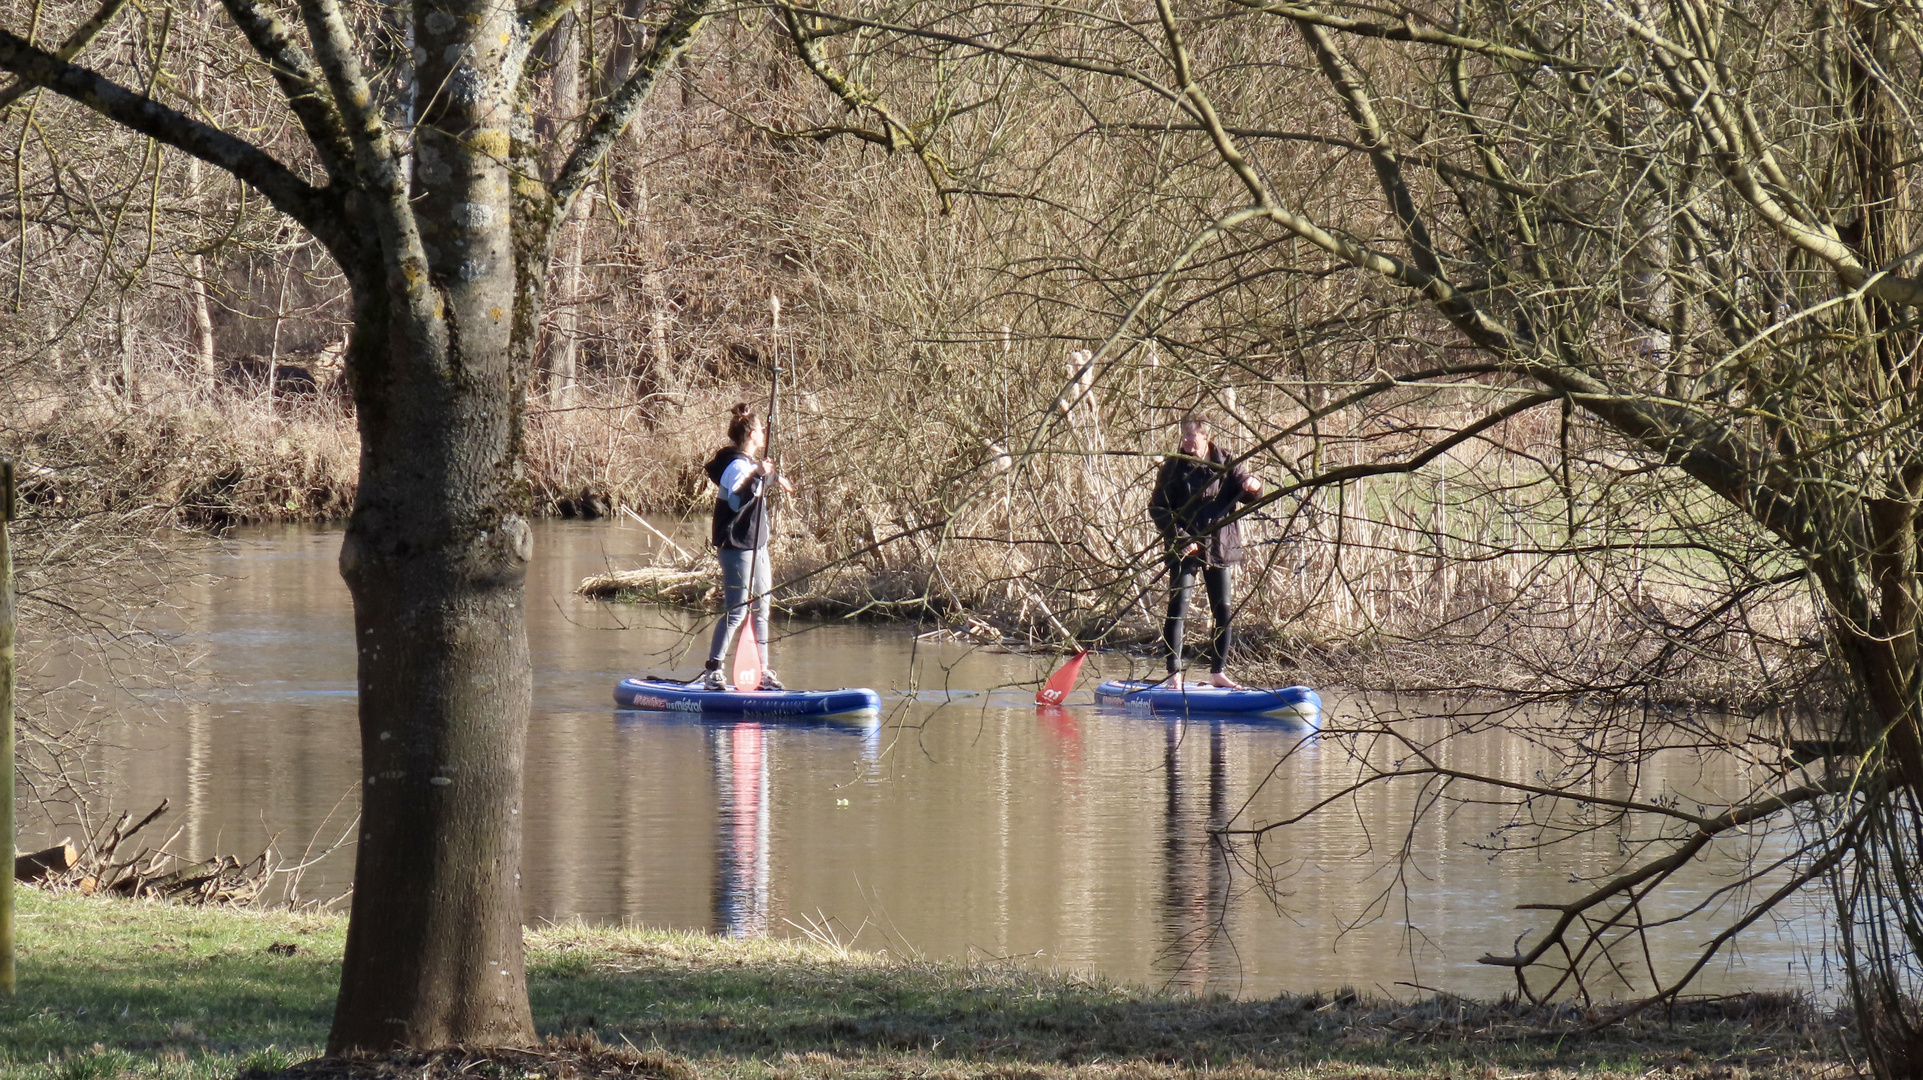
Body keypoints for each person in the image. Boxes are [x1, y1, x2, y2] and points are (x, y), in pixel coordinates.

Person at [1149, 412, 1262, 688]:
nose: (1187, 441)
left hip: (1218, 546)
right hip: (1185, 548)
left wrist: (1255, 487)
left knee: (1223, 610)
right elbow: (1158, 508)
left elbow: (1249, 495)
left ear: (1206, 437)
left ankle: (1218, 673)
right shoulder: (1174, 467)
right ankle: (1173, 673)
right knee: (1178, 608)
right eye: (1184, 435)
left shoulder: (1226, 462)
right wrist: (1181, 539)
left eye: (1192, 436)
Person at [696, 403, 793, 691]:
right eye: (761, 430)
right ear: (752, 434)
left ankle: (763, 673)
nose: (764, 433)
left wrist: (774, 477)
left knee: (762, 608)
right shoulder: (735, 466)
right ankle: (713, 672)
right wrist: (760, 475)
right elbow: (740, 498)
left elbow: (759, 479)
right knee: (737, 610)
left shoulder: (749, 465)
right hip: (736, 546)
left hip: (757, 545)